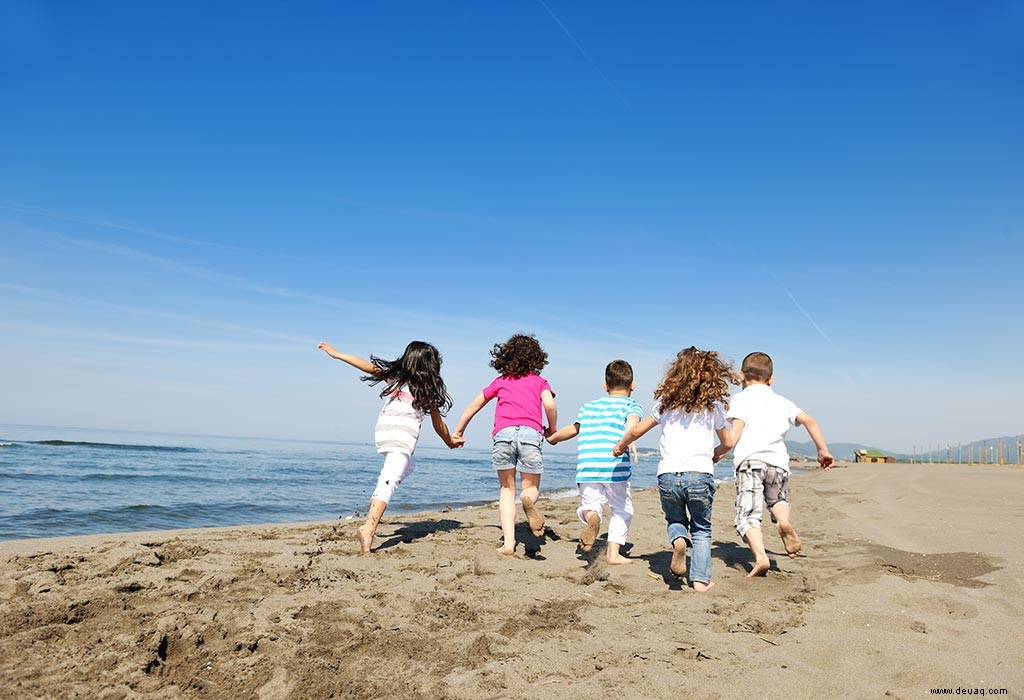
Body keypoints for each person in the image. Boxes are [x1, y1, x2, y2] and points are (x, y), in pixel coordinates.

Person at [317, 340, 463, 553]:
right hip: (401, 437)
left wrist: (337, 354)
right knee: (389, 480)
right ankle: (368, 528)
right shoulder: (426, 389)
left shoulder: (395, 378)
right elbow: (438, 424)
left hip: (384, 432)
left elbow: (366, 365)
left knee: (407, 467)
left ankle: (379, 499)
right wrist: (449, 441)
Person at [615, 347, 735, 592]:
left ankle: (679, 540)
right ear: (710, 376)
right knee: (702, 528)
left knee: (675, 519)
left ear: (675, 374)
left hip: (668, 474)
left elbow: (637, 430)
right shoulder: (713, 408)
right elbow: (729, 442)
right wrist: (718, 452)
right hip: (700, 474)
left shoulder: (665, 404)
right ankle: (700, 581)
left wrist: (621, 444)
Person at [723, 351, 833, 577]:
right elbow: (808, 420)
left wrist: (719, 450)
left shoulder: (740, 399)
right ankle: (783, 521)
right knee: (778, 500)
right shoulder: (783, 402)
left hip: (750, 461)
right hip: (778, 463)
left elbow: (736, 430)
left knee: (747, 515)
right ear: (771, 379)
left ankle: (761, 557)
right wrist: (822, 450)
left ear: (743, 377)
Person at [452, 334, 557, 555]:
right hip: (530, 434)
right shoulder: (540, 381)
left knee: (507, 490)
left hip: (503, 435)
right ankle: (528, 501)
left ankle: (509, 544)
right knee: (529, 488)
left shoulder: (501, 381)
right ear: (536, 358)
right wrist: (552, 428)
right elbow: (549, 404)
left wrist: (459, 431)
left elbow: (475, 405)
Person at [548, 360, 644, 565]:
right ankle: (613, 554)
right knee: (621, 508)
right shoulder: (632, 405)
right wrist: (627, 442)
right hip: (614, 466)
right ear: (633, 385)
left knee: (591, 503)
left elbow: (574, 429)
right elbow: (632, 426)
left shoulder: (589, 407)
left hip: (587, 467)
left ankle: (593, 517)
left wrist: (554, 437)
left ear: (605, 385)